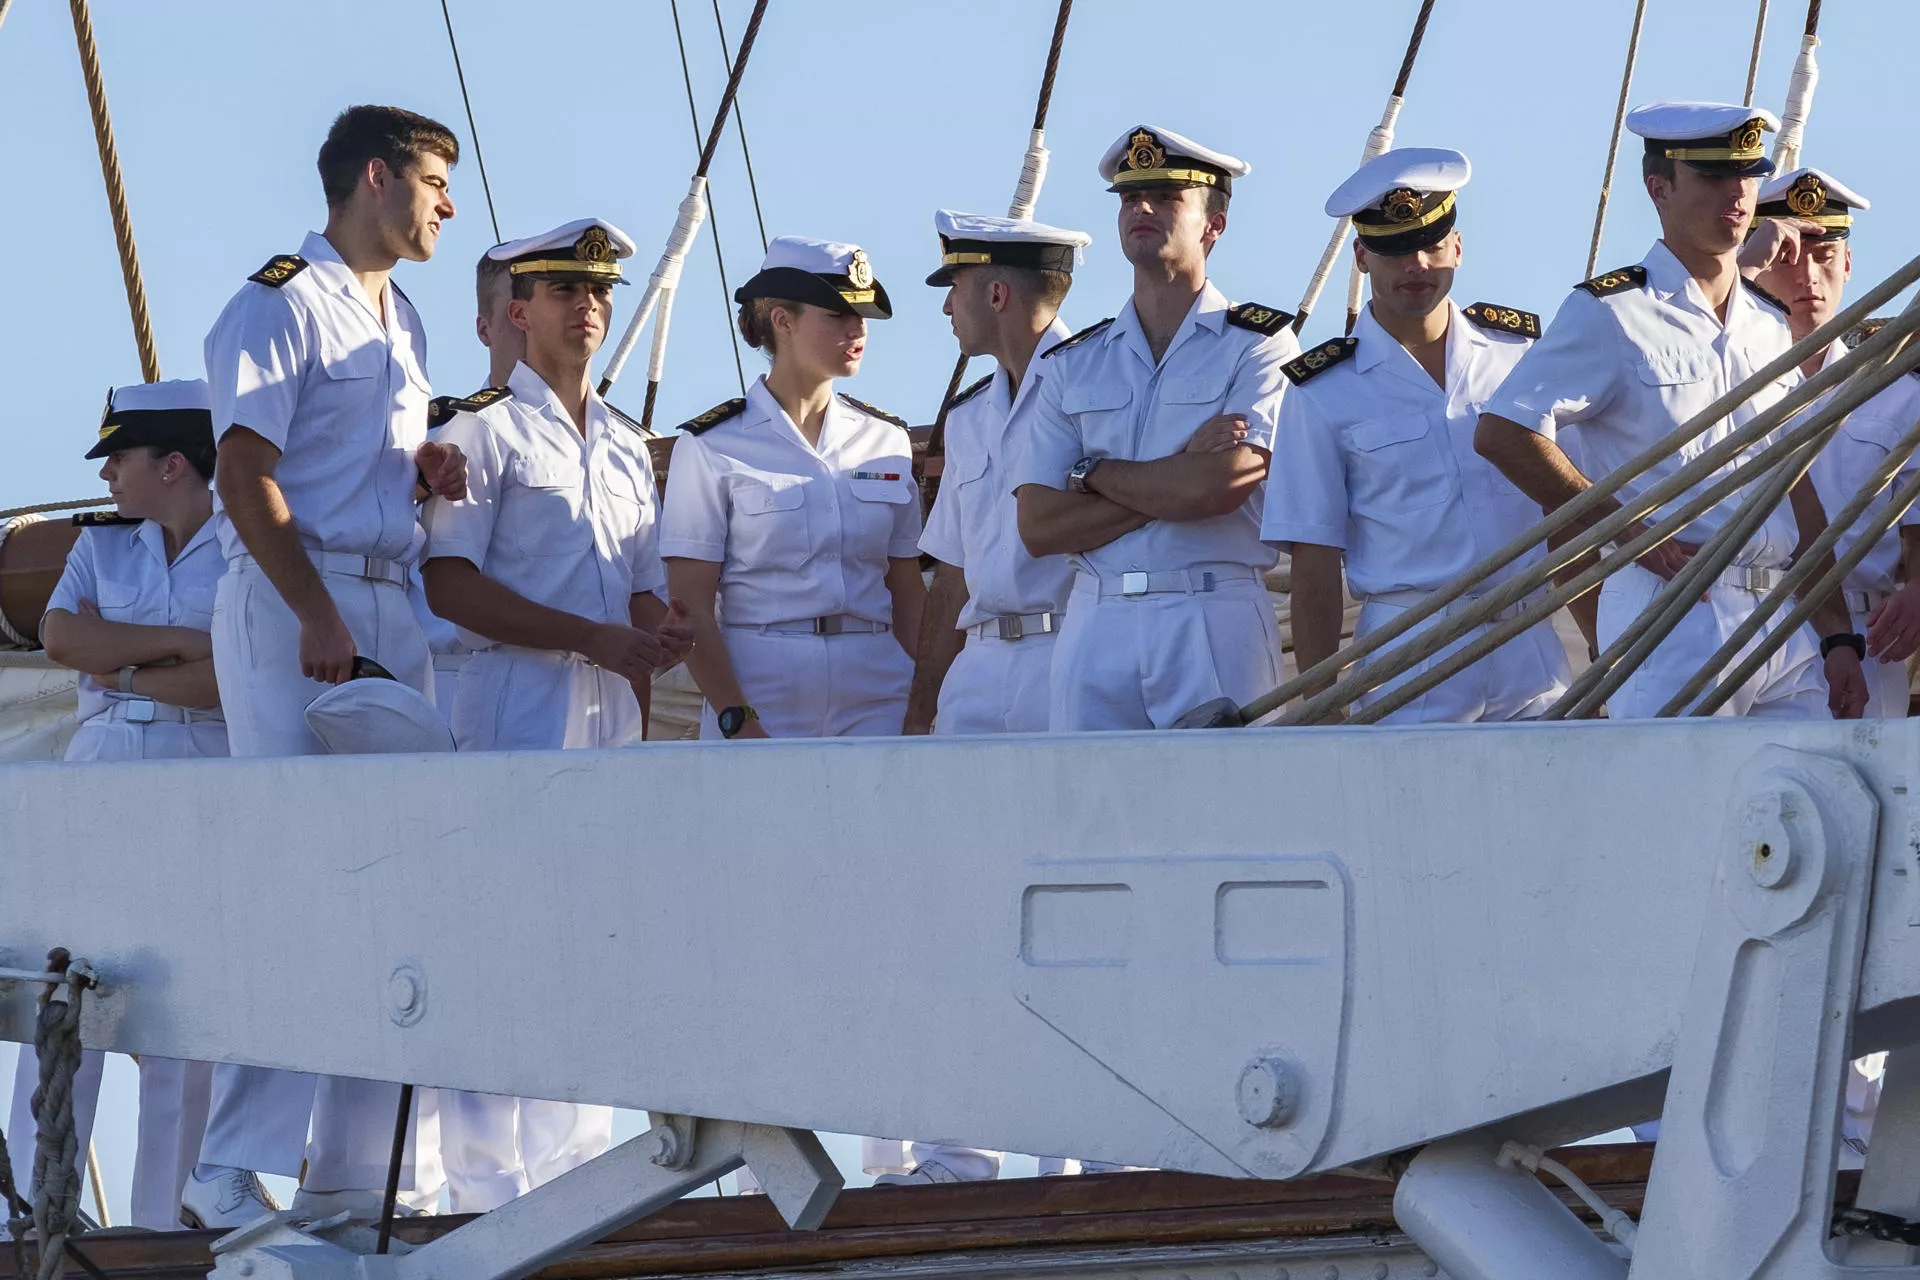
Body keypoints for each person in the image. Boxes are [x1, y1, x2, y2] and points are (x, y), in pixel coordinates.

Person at [186, 104, 467, 1229]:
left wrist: (422, 470)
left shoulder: (407, 320)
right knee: (300, 879)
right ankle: (223, 1166)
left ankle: (355, 1175)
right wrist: (313, 611)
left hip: (392, 598)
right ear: (375, 178)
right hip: (294, 599)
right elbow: (243, 472)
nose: (449, 205)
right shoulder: (280, 302)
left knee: (398, 885)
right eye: (435, 182)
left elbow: (350, 464)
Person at [419, 219, 691, 1208]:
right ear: (518, 311)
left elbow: (641, 589)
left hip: (608, 716)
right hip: (508, 706)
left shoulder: (624, 444)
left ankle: (574, 1185)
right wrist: (594, 637)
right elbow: (449, 584)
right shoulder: (478, 431)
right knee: (499, 943)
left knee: (593, 941)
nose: (590, 305)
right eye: (566, 289)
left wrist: (660, 632)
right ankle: (486, 1189)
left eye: (601, 290)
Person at [1475, 101, 1867, 720]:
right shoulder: (1612, 311)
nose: (1736, 193)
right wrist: (1625, 528)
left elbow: (1793, 485)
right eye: (1712, 177)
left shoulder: (1769, 324)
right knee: (1682, 786)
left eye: (1748, 175)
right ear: (1658, 188)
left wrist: (1838, 635)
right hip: (1673, 611)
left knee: (1811, 781)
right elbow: (1503, 431)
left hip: (1781, 619)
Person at [7, 381, 222, 1230]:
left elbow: (234, 677)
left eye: (118, 458)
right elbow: (64, 638)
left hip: (204, 786)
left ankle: (163, 1225)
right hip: (100, 784)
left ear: (172, 464)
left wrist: (121, 667)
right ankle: (33, 1210)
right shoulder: (101, 546)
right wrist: (180, 647)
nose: (105, 476)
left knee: (187, 1013)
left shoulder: (248, 548)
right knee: (63, 993)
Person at [1262, 148, 1571, 721]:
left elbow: (1573, 508)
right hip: (1410, 649)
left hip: (1529, 641)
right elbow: (1314, 560)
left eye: (1432, 244)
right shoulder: (1322, 391)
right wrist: (1321, 703)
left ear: (1458, 247)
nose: (1418, 265)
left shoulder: (1520, 355)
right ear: (1362, 257)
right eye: (1396, 249)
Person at [1011, 125, 1299, 730]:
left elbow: (1219, 487)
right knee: (1087, 794)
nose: (1141, 209)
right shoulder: (1073, 363)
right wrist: (1177, 472)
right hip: (1096, 620)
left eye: (1167, 197)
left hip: (1212, 613)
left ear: (1213, 225)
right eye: (1130, 198)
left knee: (1230, 792)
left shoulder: (1260, 344)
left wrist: (1090, 474)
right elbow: (1039, 527)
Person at [661, 237, 925, 741]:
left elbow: (906, 588)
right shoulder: (711, 444)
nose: (857, 329)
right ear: (783, 321)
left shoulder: (886, 440)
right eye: (838, 315)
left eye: (862, 316)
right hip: (761, 682)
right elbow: (691, 602)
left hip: (878, 682)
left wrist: (925, 703)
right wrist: (736, 717)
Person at [903, 210, 1090, 740]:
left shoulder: (1097, 389)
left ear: (996, 295)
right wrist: (919, 713)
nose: (946, 306)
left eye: (954, 288)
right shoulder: (967, 418)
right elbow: (952, 576)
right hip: (978, 669)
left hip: (1074, 651)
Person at [1751, 167, 1920, 718]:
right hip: (1749, 622)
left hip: (1869, 634)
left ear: (1847, 264)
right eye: (1788, 258)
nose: (1809, 277)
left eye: (1825, 257)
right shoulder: (1720, 385)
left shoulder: (1899, 393)